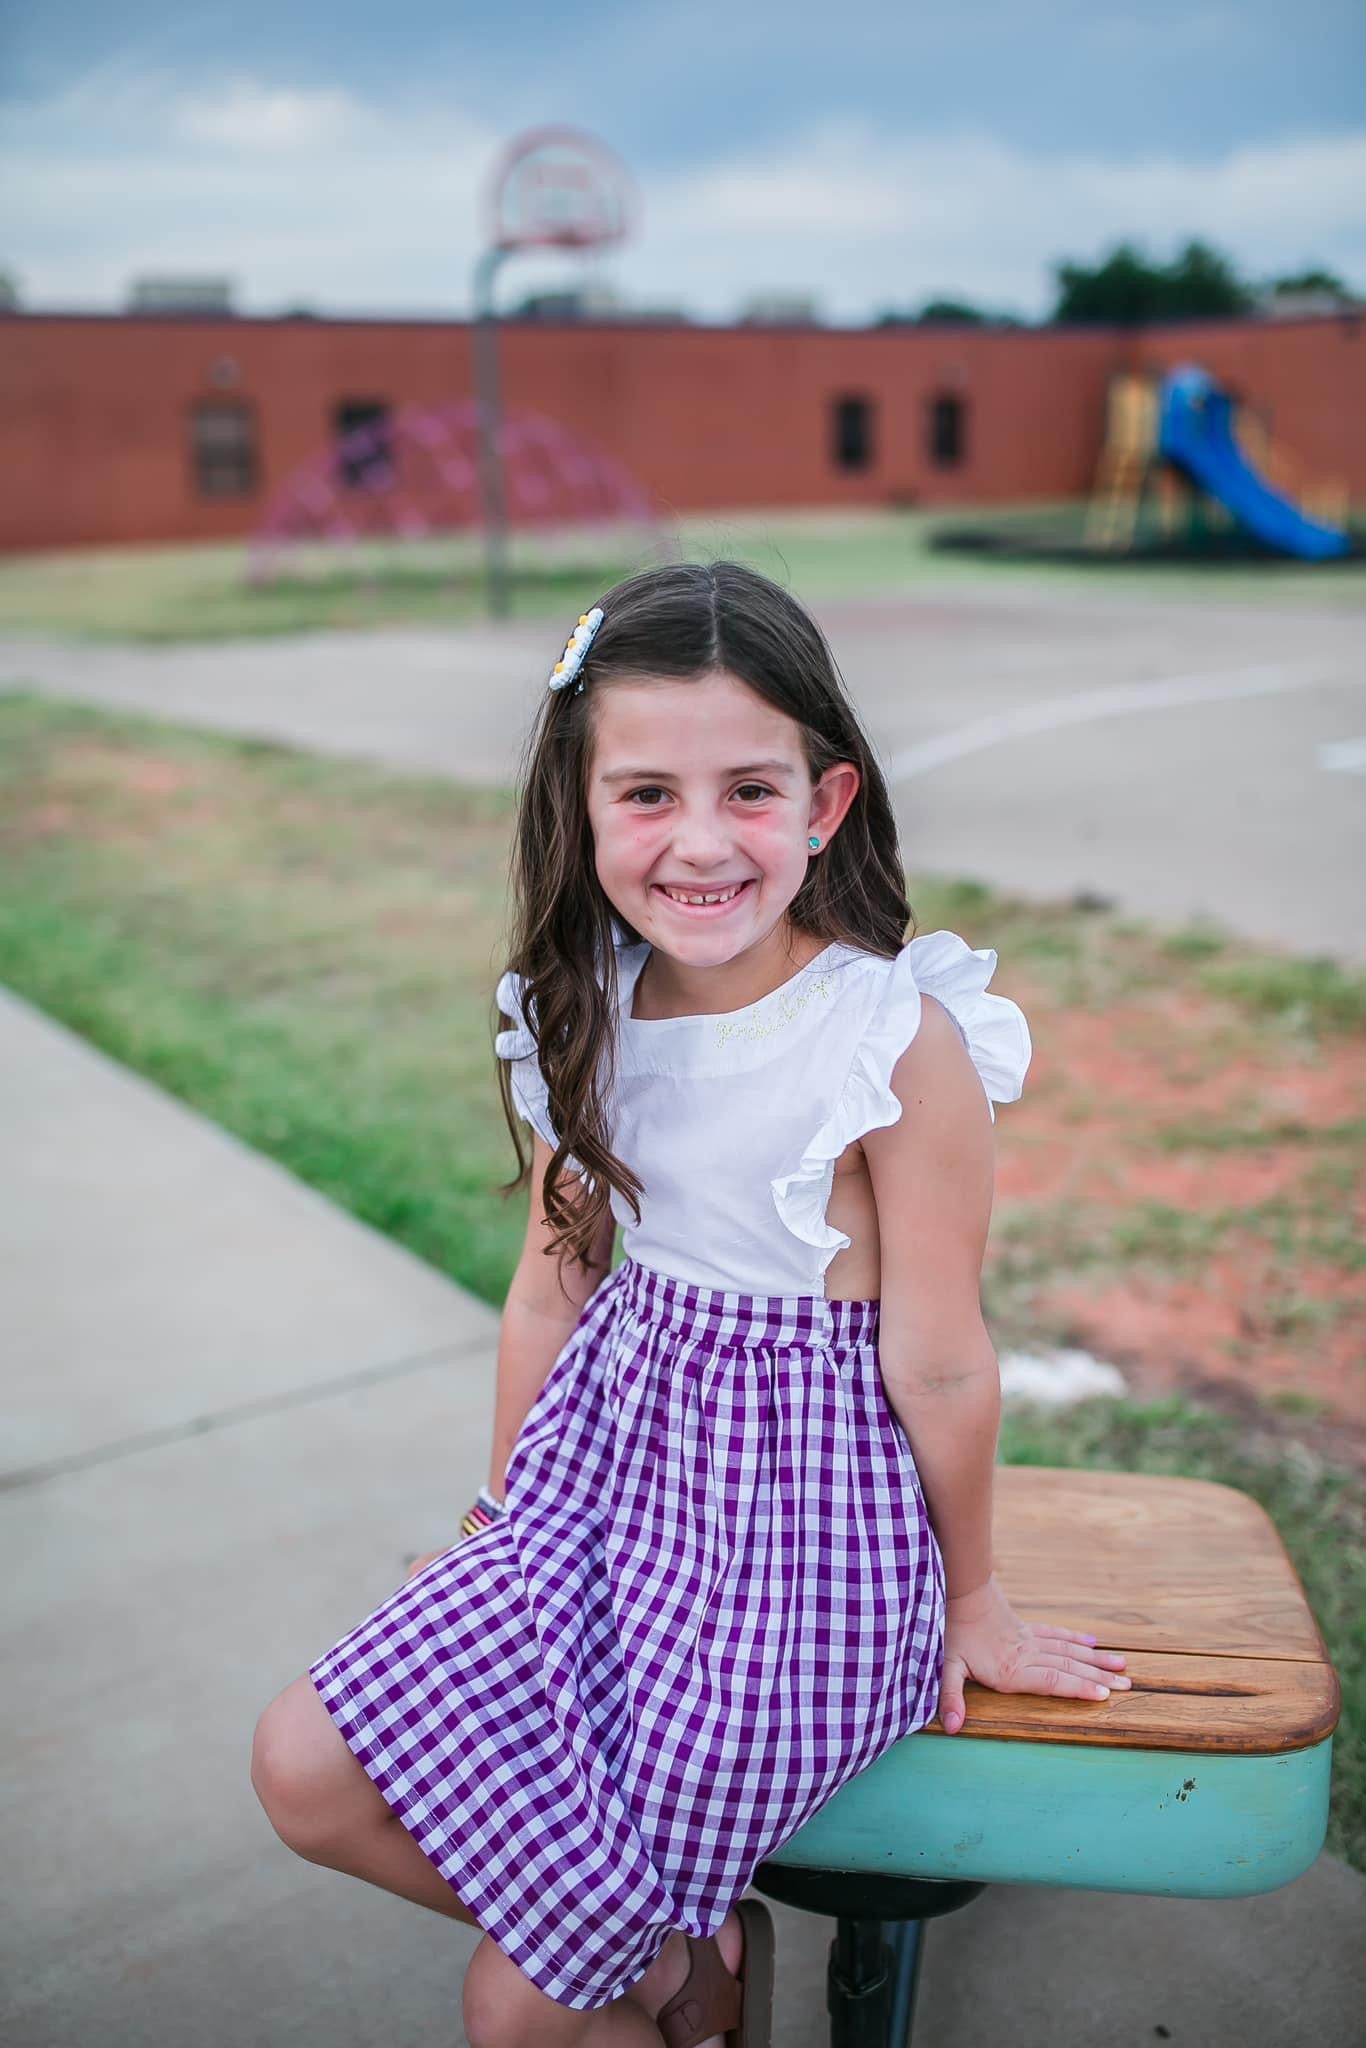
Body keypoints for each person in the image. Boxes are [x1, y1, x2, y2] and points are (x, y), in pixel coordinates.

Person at [251, 561, 1130, 2048]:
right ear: (581, 810)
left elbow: (936, 1361)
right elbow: (551, 1289)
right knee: (301, 1768)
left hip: (795, 1562)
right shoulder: (580, 1005)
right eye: (647, 793)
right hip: (600, 1501)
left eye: (750, 791)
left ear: (824, 805)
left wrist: (969, 1600)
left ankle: (664, 1966)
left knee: (512, 2013)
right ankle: (681, 1965)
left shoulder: (888, 1042)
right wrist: (498, 1520)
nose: (702, 842)